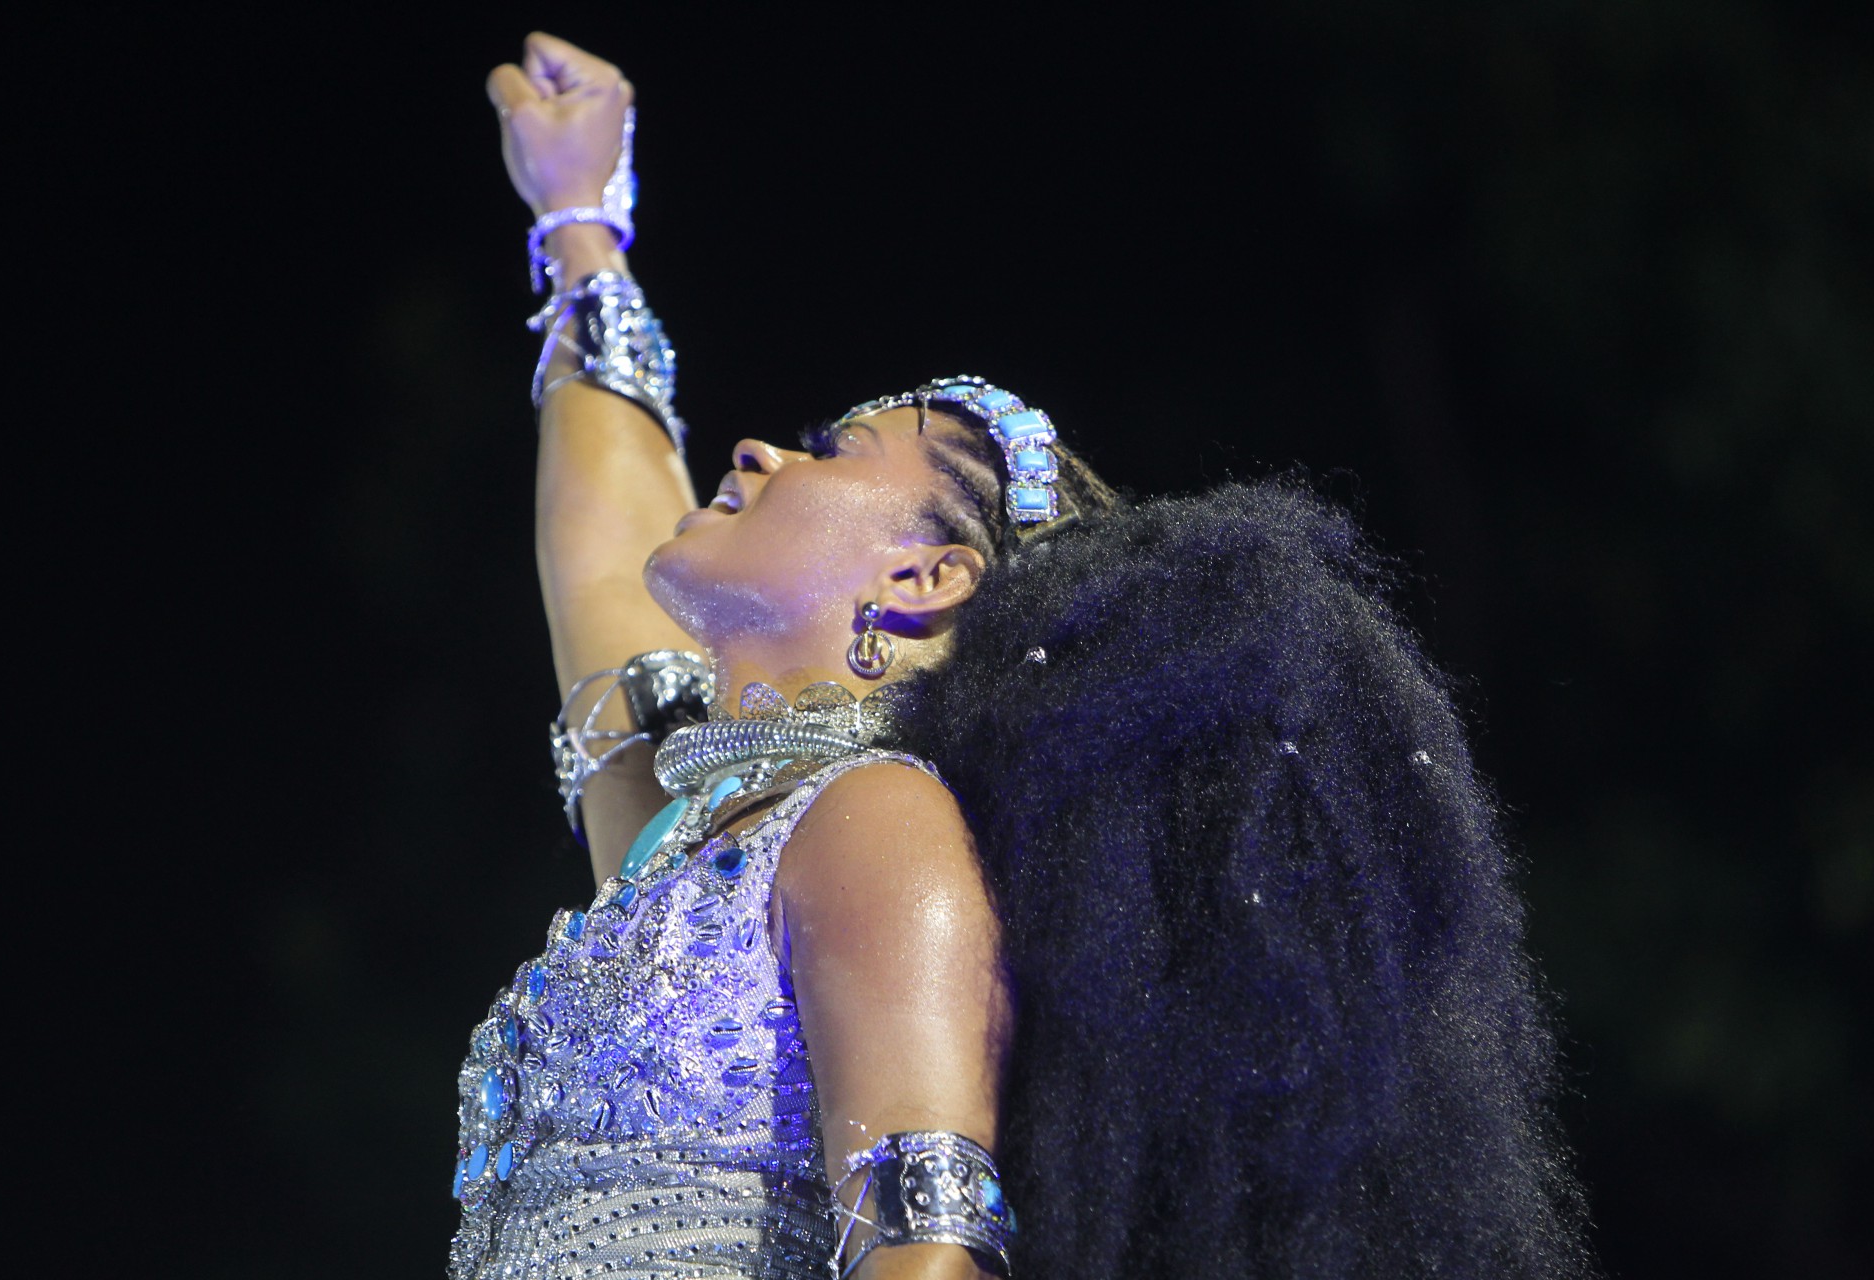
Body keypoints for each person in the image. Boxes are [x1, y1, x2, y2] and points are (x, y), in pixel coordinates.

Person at [450, 31, 1595, 1280]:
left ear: (928, 578)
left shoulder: (875, 821)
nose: (760, 453)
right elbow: (604, 578)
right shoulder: (682, 850)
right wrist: (577, 219)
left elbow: (927, 1254)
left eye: (827, 448)